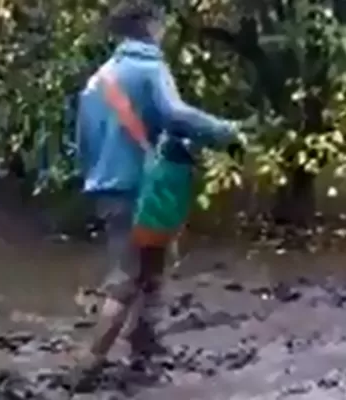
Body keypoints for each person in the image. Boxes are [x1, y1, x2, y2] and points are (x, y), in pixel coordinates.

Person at [70, 0, 245, 388]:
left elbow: (81, 140)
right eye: (162, 22)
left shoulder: (99, 78)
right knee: (127, 276)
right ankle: (86, 367)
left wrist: (97, 176)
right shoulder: (149, 67)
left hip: (108, 186)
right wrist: (228, 131)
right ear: (151, 24)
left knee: (151, 268)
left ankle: (144, 352)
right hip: (141, 188)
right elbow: (175, 114)